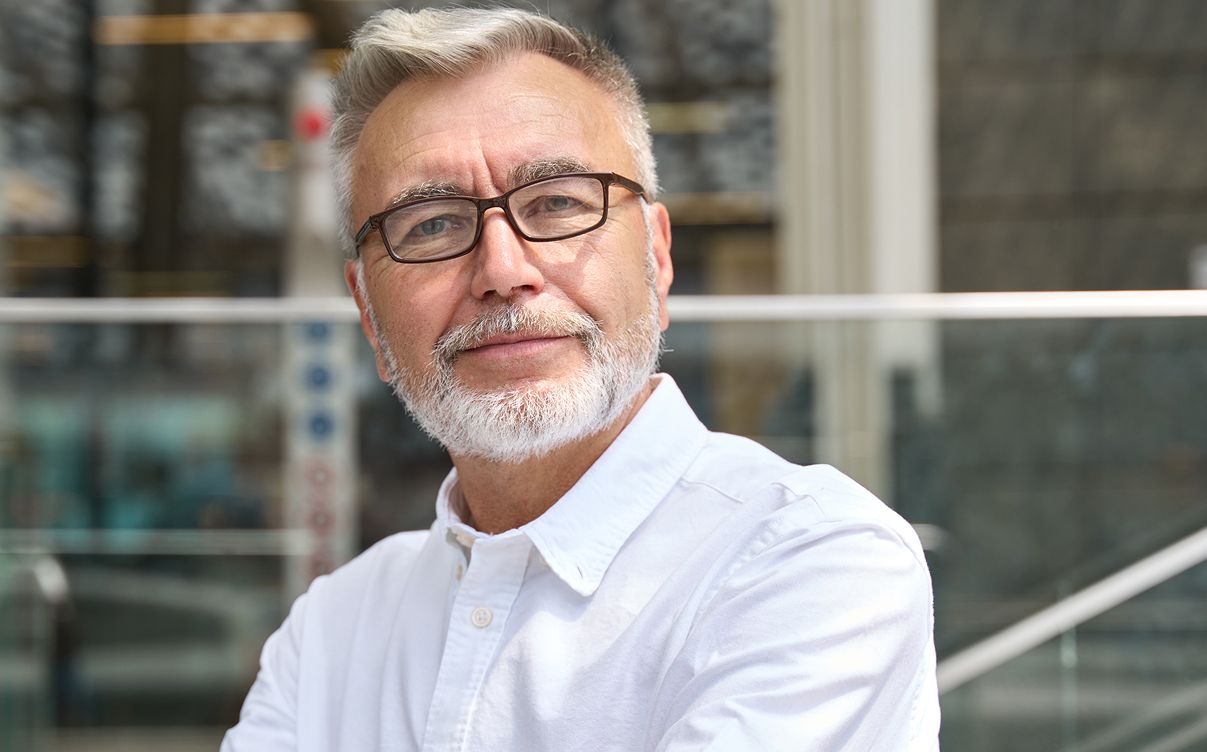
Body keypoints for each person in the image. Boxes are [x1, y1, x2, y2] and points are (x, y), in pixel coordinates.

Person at [223, 7, 940, 751]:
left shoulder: (806, 560)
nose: (503, 271)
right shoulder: (333, 629)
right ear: (369, 315)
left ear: (655, 260)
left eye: (558, 203)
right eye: (430, 224)